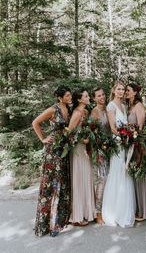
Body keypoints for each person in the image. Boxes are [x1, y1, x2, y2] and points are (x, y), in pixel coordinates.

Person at [33, 86, 71, 237]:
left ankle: (60, 220)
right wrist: (43, 139)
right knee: (51, 187)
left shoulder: (69, 109)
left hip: (65, 150)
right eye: (67, 95)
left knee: (62, 184)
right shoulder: (52, 110)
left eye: (70, 95)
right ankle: (49, 225)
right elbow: (35, 123)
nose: (69, 97)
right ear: (60, 98)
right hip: (53, 152)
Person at [102, 81, 136, 227]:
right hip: (117, 143)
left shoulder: (123, 106)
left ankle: (124, 208)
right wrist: (125, 136)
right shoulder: (111, 106)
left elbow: (126, 125)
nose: (121, 91)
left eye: (123, 89)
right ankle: (114, 211)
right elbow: (113, 128)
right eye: (119, 89)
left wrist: (129, 135)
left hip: (125, 142)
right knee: (117, 171)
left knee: (125, 171)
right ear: (114, 90)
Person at [126, 83, 146, 221]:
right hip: (130, 143)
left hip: (138, 144)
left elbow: (140, 126)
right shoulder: (129, 106)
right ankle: (139, 207)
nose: (126, 92)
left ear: (135, 92)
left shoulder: (138, 106)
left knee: (141, 174)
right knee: (135, 175)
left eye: (128, 90)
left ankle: (145, 211)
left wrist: (136, 143)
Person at [69, 88, 96, 226]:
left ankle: (87, 212)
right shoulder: (77, 113)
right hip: (78, 150)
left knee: (87, 178)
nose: (88, 97)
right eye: (86, 96)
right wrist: (81, 140)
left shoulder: (85, 112)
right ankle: (78, 216)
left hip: (86, 149)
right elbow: (69, 132)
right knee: (80, 179)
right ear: (79, 99)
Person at [90, 87, 110, 225]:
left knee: (109, 180)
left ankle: (108, 208)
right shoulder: (95, 112)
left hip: (111, 148)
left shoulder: (108, 109)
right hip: (100, 150)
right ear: (94, 99)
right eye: (99, 96)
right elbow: (92, 133)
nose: (102, 97)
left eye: (103, 94)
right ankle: (98, 213)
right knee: (102, 180)